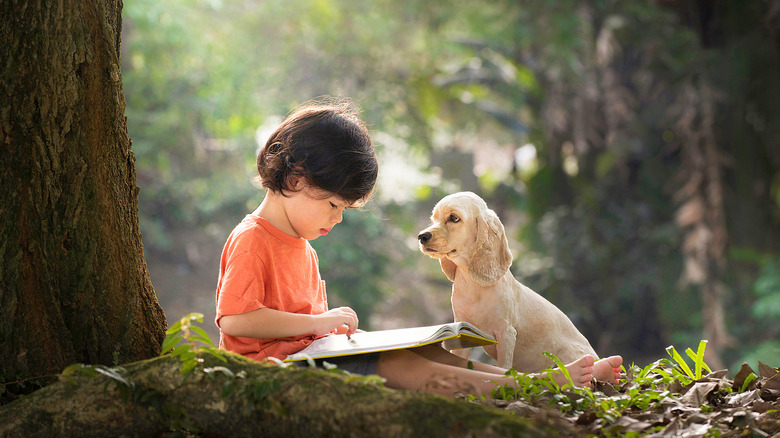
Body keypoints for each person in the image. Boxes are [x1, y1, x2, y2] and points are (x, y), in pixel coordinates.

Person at [215, 98, 623, 398]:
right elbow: (235, 321)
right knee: (398, 364)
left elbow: (308, 329)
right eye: (334, 205)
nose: (336, 219)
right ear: (297, 176)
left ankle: (527, 384)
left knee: (438, 353)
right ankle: (524, 391)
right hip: (269, 377)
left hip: (314, 357)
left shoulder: (303, 247)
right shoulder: (253, 239)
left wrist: (329, 327)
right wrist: (318, 325)